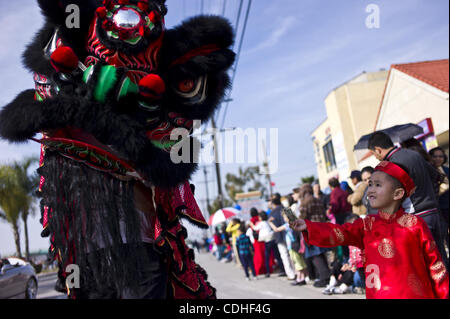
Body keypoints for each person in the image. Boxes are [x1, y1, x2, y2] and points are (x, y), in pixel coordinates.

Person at [291, 161, 449, 299]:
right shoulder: (366, 225)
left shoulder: (415, 224)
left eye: (378, 185)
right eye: (370, 184)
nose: (370, 190)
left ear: (398, 193)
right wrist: (309, 226)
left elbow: (436, 266)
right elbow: (339, 232)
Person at [368, 131, 448, 270]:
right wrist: (431, 197)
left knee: (425, 264)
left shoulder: (392, 165)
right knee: (441, 260)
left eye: (374, 154)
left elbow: (392, 197)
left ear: (378, 150)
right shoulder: (414, 154)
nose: (376, 157)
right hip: (434, 213)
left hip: (416, 217)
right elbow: (437, 177)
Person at [299, 184, 331, 288]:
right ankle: (327, 277)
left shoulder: (305, 202)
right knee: (321, 254)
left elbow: (302, 218)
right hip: (321, 228)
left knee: (315, 255)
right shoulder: (318, 200)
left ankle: (324, 277)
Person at [268, 211, 307, 286]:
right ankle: (302, 277)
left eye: (284, 217)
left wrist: (270, 222)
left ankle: (300, 278)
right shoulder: (296, 223)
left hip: (292, 246)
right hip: (298, 245)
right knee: (300, 261)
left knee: (297, 263)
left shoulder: (288, 225)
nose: (284, 219)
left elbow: (276, 229)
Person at [267, 194, 296, 280]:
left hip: (280, 237)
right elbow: (294, 220)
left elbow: (272, 228)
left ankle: (291, 274)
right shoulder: (286, 209)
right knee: (294, 255)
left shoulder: (271, 213)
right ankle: (298, 272)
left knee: (285, 256)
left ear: (273, 203)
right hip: (292, 236)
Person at [250, 212, 284, 278]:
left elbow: (255, 228)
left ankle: (268, 272)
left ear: (261, 217)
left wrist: (251, 224)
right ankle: (282, 269)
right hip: (273, 239)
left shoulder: (262, 223)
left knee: (267, 257)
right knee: (277, 256)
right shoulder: (268, 222)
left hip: (267, 241)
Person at [429, 147, 449, 250]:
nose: (438, 158)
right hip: (438, 209)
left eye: (440, 156)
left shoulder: (446, 170)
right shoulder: (429, 172)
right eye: (435, 156)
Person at [249, 208, 268, 276]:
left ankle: (259, 269)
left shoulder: (252, 220)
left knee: (258, 255)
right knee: (264, 254)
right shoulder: (260, 217)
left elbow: (253, 228)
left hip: (257, 240)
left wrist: (251, 224)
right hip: (264, 238)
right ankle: (267, 269)